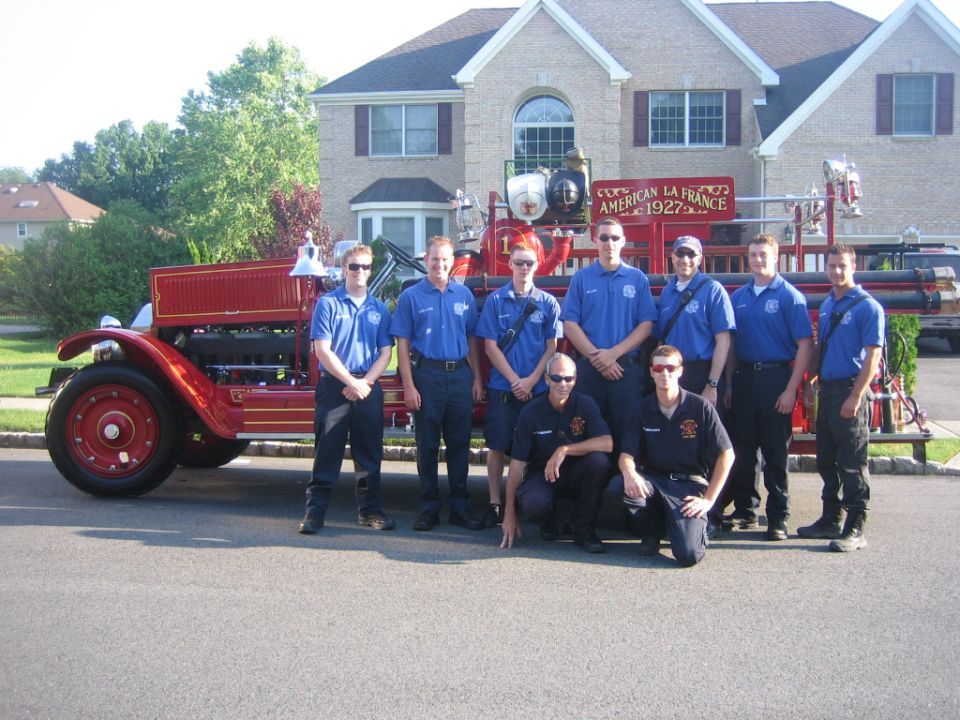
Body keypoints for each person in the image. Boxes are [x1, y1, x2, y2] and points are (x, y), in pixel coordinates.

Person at [392, 235, 485, 532]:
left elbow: (472, 339)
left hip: (459, 375)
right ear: (425, 261)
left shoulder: (464, 296)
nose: (440, 264)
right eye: (435, 259)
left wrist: (477, 378)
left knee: (460, 444)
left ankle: (459, 507)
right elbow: (402, 345)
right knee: (428, 445)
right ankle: (429, 508)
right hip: (427, 376)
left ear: (453, 262)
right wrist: (409, 385)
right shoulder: (411, 297)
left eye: (445, 259)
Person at [299, 244, 395, 534]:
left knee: (369, 455)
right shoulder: (328, 304)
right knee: (327, 451)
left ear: (371, 270)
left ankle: (370, 512)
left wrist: (364, 383)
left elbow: (386, 353)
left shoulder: (379, 309)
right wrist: (350, 382)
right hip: (334, 387)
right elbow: (322, 351)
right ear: (344, 269)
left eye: (365, 267)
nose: (360, 272)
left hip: (367, 388)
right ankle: (314, 514)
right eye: (354, 266)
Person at [724, 234, 813, 540]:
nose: (758, 260)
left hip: (777, 379)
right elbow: (731, 344)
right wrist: (729, 383)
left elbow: (804, 346)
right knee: (744, 450)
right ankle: (746, 511)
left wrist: (791, 389)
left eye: (763, 254)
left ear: (775, 257)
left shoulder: (790, 297)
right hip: (745, 378)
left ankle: (778, 517)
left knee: (776, 453)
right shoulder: (739, 297)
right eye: (753, 255)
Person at [799, 244, 884, 552]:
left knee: (851, 463)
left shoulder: (867, 307)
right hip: (829, 390)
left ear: (854, 266)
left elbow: (873, 356)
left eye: (842, 266)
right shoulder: (827, 304)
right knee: (826, 460)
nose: (836, 271)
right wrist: (810, 382)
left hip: (850, 391)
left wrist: (857, 396)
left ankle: (856, 527)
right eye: (832, 266)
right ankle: (830, 518)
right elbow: (821, 346)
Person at [618, 345, 734, 567]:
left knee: (688, 555)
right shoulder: (640, 409)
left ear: (681, 371)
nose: (664, 374)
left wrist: (708, 500)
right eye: (659, 368)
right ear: (651, 372)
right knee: (621, 487)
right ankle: (652, 532)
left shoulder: (700, 407)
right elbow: (626, 454)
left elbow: (727, 455)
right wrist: (629, 472)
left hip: (688, 487)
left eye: (670, 368)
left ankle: (695, 526)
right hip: (653, 482)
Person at [476, 242, 561, 528]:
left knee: (537, 448)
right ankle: (494, 504)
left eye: (529, 263)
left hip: (536, 389)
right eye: (519, 262)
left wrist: (533, 380)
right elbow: (489, 346)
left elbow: (552, 347)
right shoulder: (495, 301)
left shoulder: (548, 303)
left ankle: (531, 500)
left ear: (537, 266)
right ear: (509, 264)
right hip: (504, 389)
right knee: (497, 447)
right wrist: (515, 381)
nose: (524, 268)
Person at [561, 217, 657, 455]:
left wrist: (612, 355)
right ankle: (590, 489)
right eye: (604, 237)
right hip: (589, 371)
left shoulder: (638, 279)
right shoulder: (581, 278)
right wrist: (598, 359)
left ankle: (622, 488)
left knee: (627, 434)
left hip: (627, 371)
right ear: (595, 240)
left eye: (615, 237)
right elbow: (570, 324)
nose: (609, 243)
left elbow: (646, 325)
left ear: (623, 241)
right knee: (585, 433)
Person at [500, 353, 613, 553]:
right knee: (534, 502)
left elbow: (607, 443)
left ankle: (584, 528)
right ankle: (548, 522)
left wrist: (565, 449)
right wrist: (509, 512)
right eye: (557, 378)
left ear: (575, 380)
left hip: (577, 472)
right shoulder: (530, 412)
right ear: (546, 379)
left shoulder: (585, 404)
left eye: (568, 379)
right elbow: (517, 464)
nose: (563, 384)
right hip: (542, 475)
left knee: (599, 462)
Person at [656, 235, 735, 409]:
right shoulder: (667, 292)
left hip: (703, 373)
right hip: (672, 373)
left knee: (704, 432)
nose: (685, 259)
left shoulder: (713, 290)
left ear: (700, 258)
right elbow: (661, 339)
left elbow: (724, 341)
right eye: (680, 253)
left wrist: (712, 384)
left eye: (691, 254)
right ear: (672, 257)